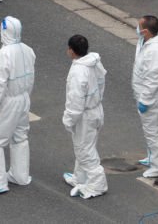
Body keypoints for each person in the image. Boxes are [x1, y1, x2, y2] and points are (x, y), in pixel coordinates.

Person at [0, 16, 36, 194]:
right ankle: (20, 175)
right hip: (24, 98)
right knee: (20, 136)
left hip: (8, 101)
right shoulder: (28, 50)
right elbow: (31, 78)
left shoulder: (3, 54)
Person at [62, 34, 108, 199]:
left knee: (84, 150)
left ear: (72, 51)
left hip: (85, 116)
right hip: (96, 109)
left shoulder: (78, 72)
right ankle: (80, 178)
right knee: (86, 146)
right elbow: (102, 81)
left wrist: (69, 120)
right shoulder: (94, 62)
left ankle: (97, 185)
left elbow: (75, 100)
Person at [133, 15, 158, 178]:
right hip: (146, 95)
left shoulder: (156, 51)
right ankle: (155, 157)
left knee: (154, 131)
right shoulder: (147, 42)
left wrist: (145, 100)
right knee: (155, 129)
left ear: (145, 31)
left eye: (139, 26)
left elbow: (153, 79)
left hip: (152, 99)